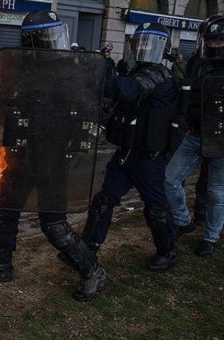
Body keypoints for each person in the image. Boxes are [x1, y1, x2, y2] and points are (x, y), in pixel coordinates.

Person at [0, 9, 108, 302]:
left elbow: (88, 108)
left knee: (54, 226)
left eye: (53, 35)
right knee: (2, 209)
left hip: (51, 159)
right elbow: (10, 104)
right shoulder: (21, 67)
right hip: (23, 154)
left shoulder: (70, 70)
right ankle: (1, 266)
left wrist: (73, 137)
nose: (51, 43)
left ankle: (93, 271)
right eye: (46, 37)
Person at [65, 23, 181, 272]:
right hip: (126, 153)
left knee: (156, 208)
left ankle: (168, 250)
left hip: (148, 158)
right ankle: (86, 252)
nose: (144, 48)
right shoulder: (137, 71)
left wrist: (87, 72)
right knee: (104, 201)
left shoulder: (160, 75)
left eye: (149, 43)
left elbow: (126, 90)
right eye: (141, 43)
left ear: (162, 48)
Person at [164, 15, 224, 256]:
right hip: (195, 135)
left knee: (217, 192)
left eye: (219, 41)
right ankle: (184, 221)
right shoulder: (198, 62)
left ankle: (211, 237)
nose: (214, 45)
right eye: (210, 40)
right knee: (170, 180)